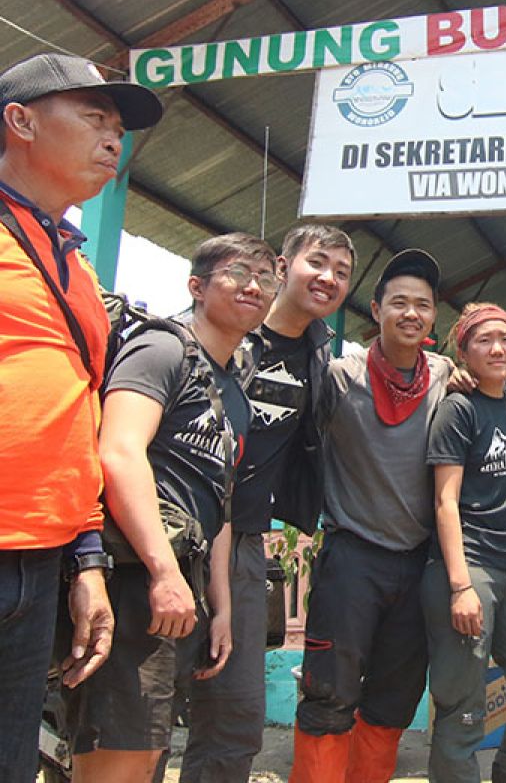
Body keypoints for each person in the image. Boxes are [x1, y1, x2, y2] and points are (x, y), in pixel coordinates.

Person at [0, 51, 161, 782]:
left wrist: (88, 559)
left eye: (118, 127)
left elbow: (76, 421)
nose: (113, 137)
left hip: (41, 559)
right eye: (94, 117)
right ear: (21, 121)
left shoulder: (81, 270)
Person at [69, 233, 275, 782]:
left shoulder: (234, 389)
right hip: (136, 579)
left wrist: (222, 606)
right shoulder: (162, 349)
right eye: (238, 273)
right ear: (197, 287)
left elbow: (221, 502)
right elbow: (118, 451)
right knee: (119, 754)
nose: (255, 285)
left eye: (266, 277)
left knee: (149, 751)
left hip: (185, 585)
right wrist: (163, 570)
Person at [182, 224, 354, 782]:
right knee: (145, 714)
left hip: (244, 542)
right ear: (283, 266)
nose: (328, 278)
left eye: (342, 272)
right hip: (172, 534)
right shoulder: (219, 333)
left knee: (235, 719)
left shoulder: (318, 356)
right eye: (317, 262)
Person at [289, 249, 452, 783]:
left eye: (422, 305)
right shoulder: (340, 376)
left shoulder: (449, 379)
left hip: (418, 564)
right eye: (399, 302)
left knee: (392, 702)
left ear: (434, 318)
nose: (411, 313)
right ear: (376, 308)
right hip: (351, 559)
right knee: (329, 693)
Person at [424, 302, 506, 781]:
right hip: (468, 567)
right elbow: (445, 501)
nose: (498, 348)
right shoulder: (457, 409)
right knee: (463, 707)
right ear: (463, 351)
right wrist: (460, 586)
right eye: (484, 340)